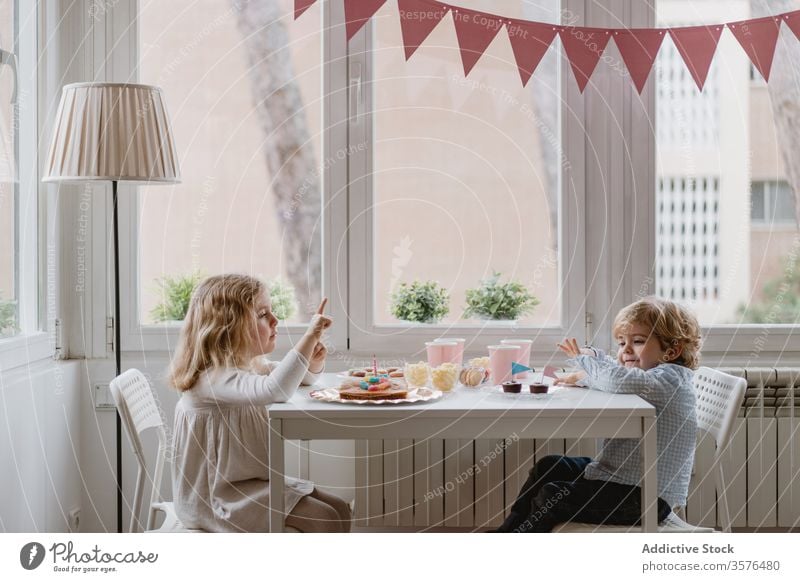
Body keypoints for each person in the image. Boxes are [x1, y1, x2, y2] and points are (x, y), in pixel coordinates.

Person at [497, 296, 701, 532]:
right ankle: (505, 535)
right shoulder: (649, 377)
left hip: (647, 498)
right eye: (621, 343)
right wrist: (591, 363)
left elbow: (616, 379)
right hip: (618, 479)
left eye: (637, 341)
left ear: (671, 350)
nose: (625, 350)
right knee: (550, 466)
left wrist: (583, 360)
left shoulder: (670, 378)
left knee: (552, 495)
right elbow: (614, 377)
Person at [169, 274, 351, 532]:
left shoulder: (247, 366)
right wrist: (309, 336)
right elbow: (275, 389)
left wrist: (313, 362)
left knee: (340, 509)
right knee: (326, 518)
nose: (275, 320)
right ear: (230, 327)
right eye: (263, 314)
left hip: (249, 485)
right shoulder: (212, 378)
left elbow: (294, 380)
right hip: (218, 499)